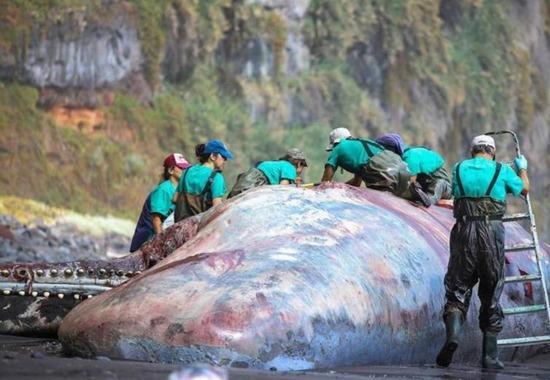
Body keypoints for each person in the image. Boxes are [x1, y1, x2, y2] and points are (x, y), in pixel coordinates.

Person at [436, 134, 529, 369]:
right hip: (491, 232)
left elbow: (453, 193)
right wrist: (522, 169)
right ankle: (489, 356)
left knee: (457, 289)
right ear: (492, 151)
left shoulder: (458, 169)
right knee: (491, 291)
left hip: (464, 230)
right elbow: (524, 190)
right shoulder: (501, 170)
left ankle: (453, 337)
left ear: (472, 151)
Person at [130, 153, 191, 252]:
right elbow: (156, 219)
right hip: (147, 242)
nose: (184, 171)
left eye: (185, 168)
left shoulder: (178, 190)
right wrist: (161, 244)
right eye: (181, 168)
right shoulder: (163, 189)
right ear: (171, 170)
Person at [321, 127, 410, 195]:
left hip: (387, 173)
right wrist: (340, 186)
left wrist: (330, 188)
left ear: (335, 142)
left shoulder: (339, 147)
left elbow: (325, 183)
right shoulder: (361, 145)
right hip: (404, 171)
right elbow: (356, 183)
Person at [376, 133, 452, 207]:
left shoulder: (410, 156)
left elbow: (409, 181)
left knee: (438, 185)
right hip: (423, 187)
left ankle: (428, 201)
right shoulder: (402, 161)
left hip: (444, 187)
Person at [173, 140, 233, 222]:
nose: (225, 160)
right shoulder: (216, 177)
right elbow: (217, 210)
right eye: (223, 157)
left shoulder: (187, 171)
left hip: (179, 226)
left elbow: (175, 199)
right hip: (199, 230)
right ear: (213, 156)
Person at [228, 148, 308, 198]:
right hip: (255, 181)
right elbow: (283, 189)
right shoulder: (290, 167)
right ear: (298, 162)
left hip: (248, 177)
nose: (302, 169)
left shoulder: (279, 164)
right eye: (303, 164)